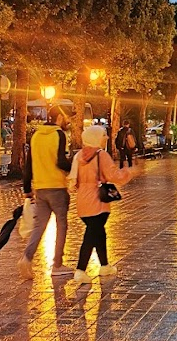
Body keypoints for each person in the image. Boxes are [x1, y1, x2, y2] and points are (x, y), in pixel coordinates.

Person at [68, 124, 132, 289]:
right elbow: (113, 175)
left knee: (98, 233)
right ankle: (81, 269)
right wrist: (128, 172)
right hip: (97, 202)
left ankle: (104, 265)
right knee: (90, 236)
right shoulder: (101, 155)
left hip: (83, 202)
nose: (106, 138)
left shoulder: (79, 156)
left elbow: (72, 181)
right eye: (103, 135)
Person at [19, 106, 72, 278]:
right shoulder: (59, 134)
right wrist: (75, 166)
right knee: (61, 225)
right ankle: (57, 265)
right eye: (65, 117)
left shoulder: (36, 136)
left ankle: (26, 258)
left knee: (39, 226)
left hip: (40, 188)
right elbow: (61, 162)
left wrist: (27, 188)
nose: (67, 120)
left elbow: (29, 164)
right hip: (57, 186)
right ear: (58, 117)